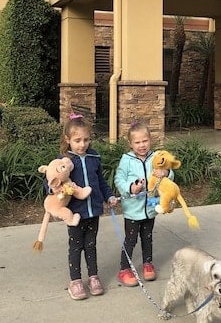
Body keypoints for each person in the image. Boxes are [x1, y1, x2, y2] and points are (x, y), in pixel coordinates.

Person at [50, 114, 118, 300]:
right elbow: (51, 181)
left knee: (91, 245)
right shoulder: (63, 161)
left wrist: (109, 196)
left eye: (86, 140)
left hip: (93, 210)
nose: (82, 145)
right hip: (74, 213)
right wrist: (57, 190)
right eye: (77, 140)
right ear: (68, 140)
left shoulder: (94, 157)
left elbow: (101, 181)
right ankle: (76, 280)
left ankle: (93, 277)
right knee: (75, 246)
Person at [114, 120, 171, 287]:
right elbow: (119, 179)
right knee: (130, 240)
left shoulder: (156, 157)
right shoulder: (127, 159)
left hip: (151, 207)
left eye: (145, 141)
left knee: (147, 237)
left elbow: (170, 175)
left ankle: (148, 263)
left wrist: (166, 172)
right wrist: (131, 187)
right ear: (130, 144)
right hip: (133, 209)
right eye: (137, 142)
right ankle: (124, 268)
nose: (142, 145)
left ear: (150, 140)